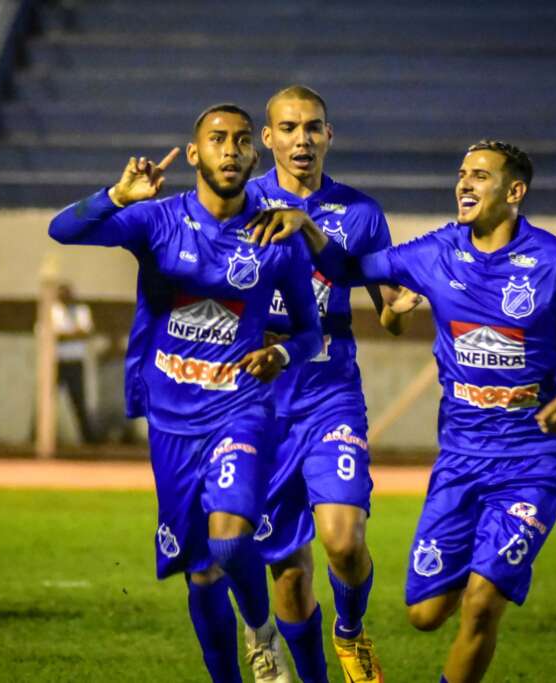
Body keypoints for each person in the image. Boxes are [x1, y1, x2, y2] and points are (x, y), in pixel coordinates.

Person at [251, 140, 556, 683]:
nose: (465, 184)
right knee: (423, 615)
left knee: (482, 603)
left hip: (533, 460)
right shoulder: (436, 252)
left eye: (481, 176)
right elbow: (348, 268)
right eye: (462, 174)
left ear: (514, 192)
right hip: (462, 458)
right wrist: (306, 226)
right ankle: (484, 557)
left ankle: (494, 566)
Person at [48, 104, 323, 683]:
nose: (231, 150)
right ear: (194, 153)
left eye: (242, 141)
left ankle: (262, 633)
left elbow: (308, 331)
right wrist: (119, 195)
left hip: (241, 409)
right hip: (172, 421)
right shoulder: (158, 220)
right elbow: (63, 228)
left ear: (255, 154)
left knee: (229, 544)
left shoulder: (277, 234)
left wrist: (282, 354)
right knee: (199, 574)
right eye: (218, 139)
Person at [243, 85, 421, 683]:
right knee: (289, 571)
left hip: (328, 396)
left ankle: (351, 630)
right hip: (257, 409)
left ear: (329, 135)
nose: (301, 139)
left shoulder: (361, 214)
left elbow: (390, 313)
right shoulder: (237, 205)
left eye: (313, 127)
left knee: (343, 542)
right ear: (267, 138)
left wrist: (401, 308)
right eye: (288, 128)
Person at [52, 283, 96, 443]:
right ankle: (37, 435)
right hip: (56, 363)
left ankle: (88, 440)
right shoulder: (52, 311)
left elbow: (86, 333)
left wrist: (65, 334)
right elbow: (52, 336)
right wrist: (74, 333)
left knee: (78, 401)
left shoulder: (81, 311)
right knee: (47, 402)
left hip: (75, 362)